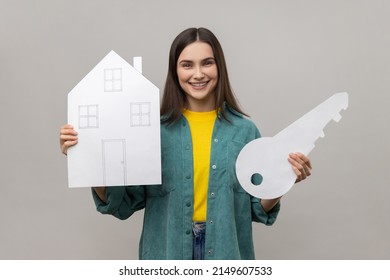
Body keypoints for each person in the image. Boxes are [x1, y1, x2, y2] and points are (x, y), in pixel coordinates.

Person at [60, 27, 312, 260]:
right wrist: (86, 158)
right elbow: (121, 204)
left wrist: (283, 179)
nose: (198, 74)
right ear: (175, 71)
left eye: (207, 63)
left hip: (226, 253)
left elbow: (257, 209)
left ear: (219, 67)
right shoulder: (153, 131)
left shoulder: (245, 132)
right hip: (166, 252)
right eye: (187, 65)